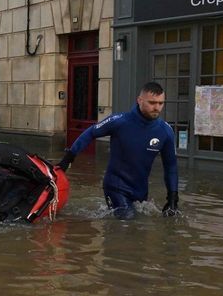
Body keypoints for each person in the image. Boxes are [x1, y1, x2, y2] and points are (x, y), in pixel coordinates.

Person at [57, 82, 180, 219]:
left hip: (140, 191)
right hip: (115, 186)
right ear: (139, 100)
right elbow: (91, 132)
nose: (157, 108)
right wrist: (68, 158)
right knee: (127, 221)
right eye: (152, 103)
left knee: (140, 227)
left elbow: (171, 166)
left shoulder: (165, 131)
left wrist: (173, 198)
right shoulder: (120, 121)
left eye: (160, 103)